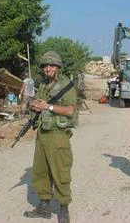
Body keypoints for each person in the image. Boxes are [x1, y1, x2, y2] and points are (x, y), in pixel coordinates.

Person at [23, 51, 77, 223]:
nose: (47, 69)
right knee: (40, 172)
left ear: (58, 67)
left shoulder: (66, 85)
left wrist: (48, 107)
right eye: (45, 66)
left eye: (51, 66)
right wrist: (33, 105)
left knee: (60, 172)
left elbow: (70, 110)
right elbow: (37, 102)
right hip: (42, 134)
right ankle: (44, 206)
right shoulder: (44, 86)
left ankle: (63, 208)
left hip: (58, 135)